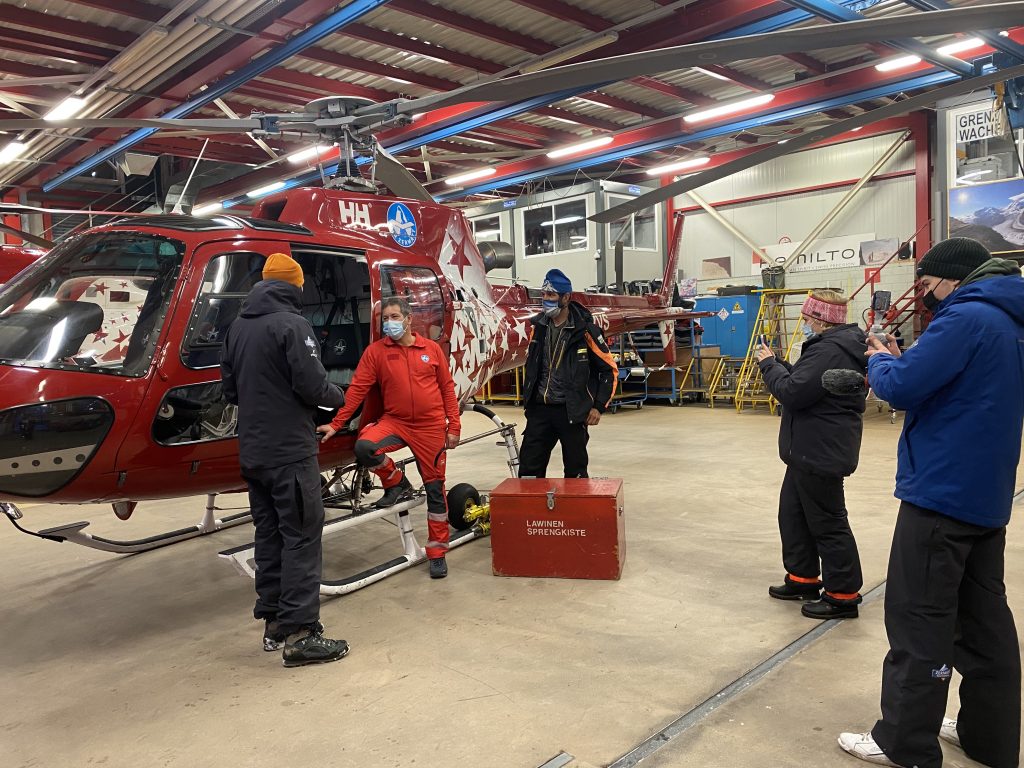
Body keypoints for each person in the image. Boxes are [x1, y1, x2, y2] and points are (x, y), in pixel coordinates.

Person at [838, 238, 1024, 768]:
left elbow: (904, 388)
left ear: (952, 278)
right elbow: (961, 387)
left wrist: (880, 364)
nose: (926, 294)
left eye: (928, 284)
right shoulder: (1011, 320)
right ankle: (987, 737)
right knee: (985, 623)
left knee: (920, 619)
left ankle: (905, 742)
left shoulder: (966, 319)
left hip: (941, 492)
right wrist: (909, 364)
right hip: (986, 495)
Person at [221, 252, 350, 667]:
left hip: (254, 453)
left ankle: (274, 623)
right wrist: (340, 397)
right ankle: (300, 633)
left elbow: (229, 390)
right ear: (295, 285)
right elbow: (313, 385)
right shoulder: (293, 324)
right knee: (302, 536)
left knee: (270, 535)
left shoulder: (238, 326)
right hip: (290, 453)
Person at [317, 297, 460, 580]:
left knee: (435, 490)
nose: (388, 323)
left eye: (394, 316)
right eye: (385, 318)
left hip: (430, 427)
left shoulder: (430, 350)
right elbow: (357, 390)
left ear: (408, 319)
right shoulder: (376, 352)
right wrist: (336, 423)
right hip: (396, 422)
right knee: (365, 446)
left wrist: (453, 425)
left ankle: (436, 551)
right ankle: (397, 482)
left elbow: (447, 389)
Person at [755, 289, 867, 620]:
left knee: (828, 523)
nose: (803, 324)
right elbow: (808, 383)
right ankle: (803, 578)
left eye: (806, 319)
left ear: (820, 320)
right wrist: (780, 364)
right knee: (793, 516)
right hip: (806, 451)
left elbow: (792, 392)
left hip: (820, 452)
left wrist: (767, 366)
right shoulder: (829, 348)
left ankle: (843, 594)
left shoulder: (830, 351)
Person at [518, 268, 617, 479]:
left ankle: (575, 511)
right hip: (540, 410)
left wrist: (598, 406)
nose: (546, 299)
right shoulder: (538, 328)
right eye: (544, 294)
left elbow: (609, 371)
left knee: (576, 472)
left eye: (552, 295)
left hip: (572, 412)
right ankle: (531, 511)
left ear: (566, 297)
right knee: (528, 471)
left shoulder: (586, 331)